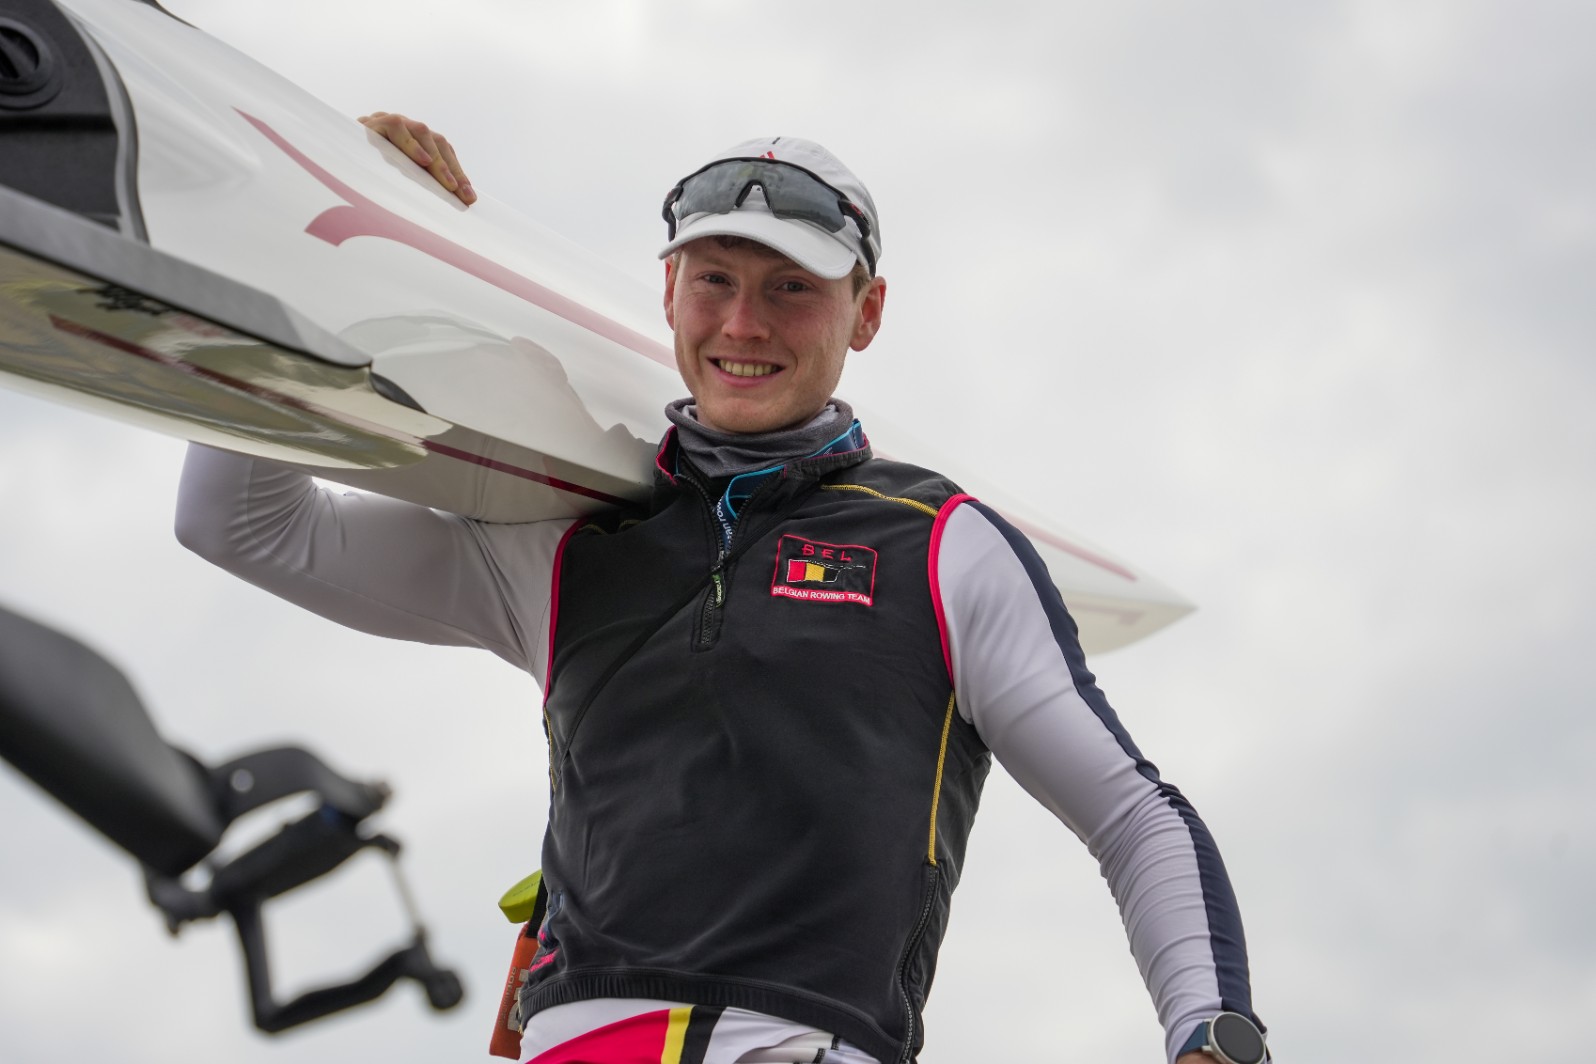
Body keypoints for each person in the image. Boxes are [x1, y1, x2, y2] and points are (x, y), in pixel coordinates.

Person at [176, 115, 1269, 1064]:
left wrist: (1209, 1029)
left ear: (867, 312)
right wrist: (305, 239)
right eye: (715, 280)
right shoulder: (568, 543)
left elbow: (1134, 816)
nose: (744, 325)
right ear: (669, 290)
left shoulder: (941, 547)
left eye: (792, 289)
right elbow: (241, 522)